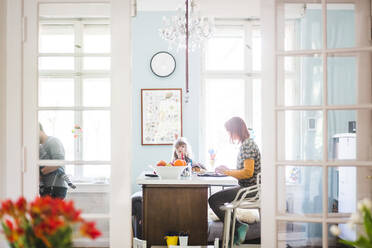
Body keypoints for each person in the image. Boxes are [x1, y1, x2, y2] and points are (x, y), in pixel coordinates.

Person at [208, 117, 261, 245]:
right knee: (216, 199)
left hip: (250, 190)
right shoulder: (247, 144)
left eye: (229, 131)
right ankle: (238, 227)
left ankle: (238, 226)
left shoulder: (247, 145)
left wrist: (226, 172)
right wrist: (228, 170)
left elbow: (248, 172)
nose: (229, 135)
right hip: (249, 188)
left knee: (214, 200)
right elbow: (246, 171)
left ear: (236, 130)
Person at [39, 123, 75, 199]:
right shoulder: (39, 146)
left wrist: (41, 172)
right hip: (46, 187)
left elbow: (59, 162)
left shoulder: (53, 141)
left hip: (56, 187)